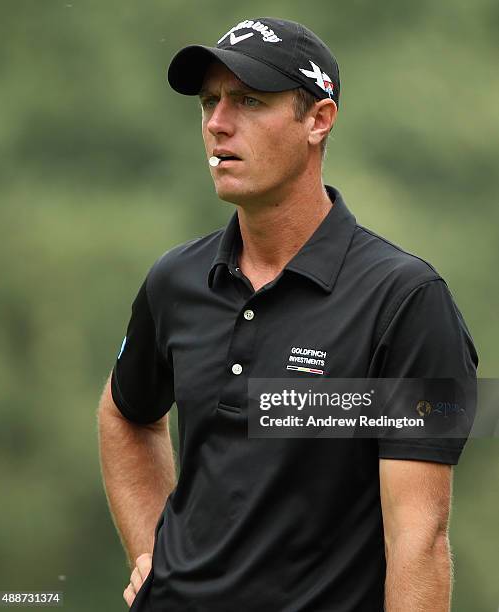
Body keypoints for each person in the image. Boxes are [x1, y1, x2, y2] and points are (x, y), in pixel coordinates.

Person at [97, 17, 478, 612]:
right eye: (209, 102)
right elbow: (125, 415)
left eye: (249, 100)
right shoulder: (176, 280)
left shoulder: (404, 299)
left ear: (318, 121)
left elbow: (418, 542)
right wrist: (153, 558)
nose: (219, 123)